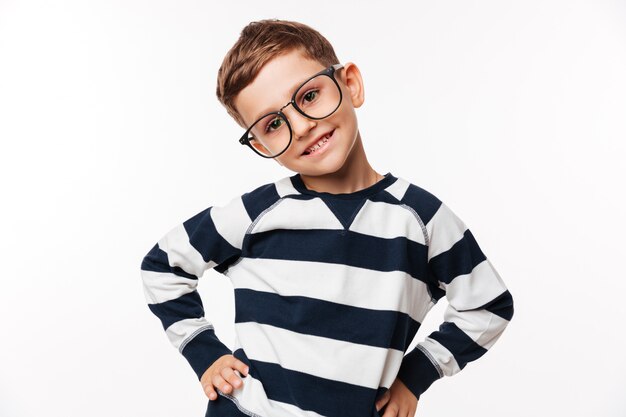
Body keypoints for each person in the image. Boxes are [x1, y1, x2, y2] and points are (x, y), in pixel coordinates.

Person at [139, 18, 514, 417]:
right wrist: (204, 351)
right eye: (273, 124)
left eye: (310, 95)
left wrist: (415, 377)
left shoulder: (421, 220)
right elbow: (163, 265)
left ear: (350, 83)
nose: (300, 127)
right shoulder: (256, 213)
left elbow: (488, 305)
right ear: (259, 142)